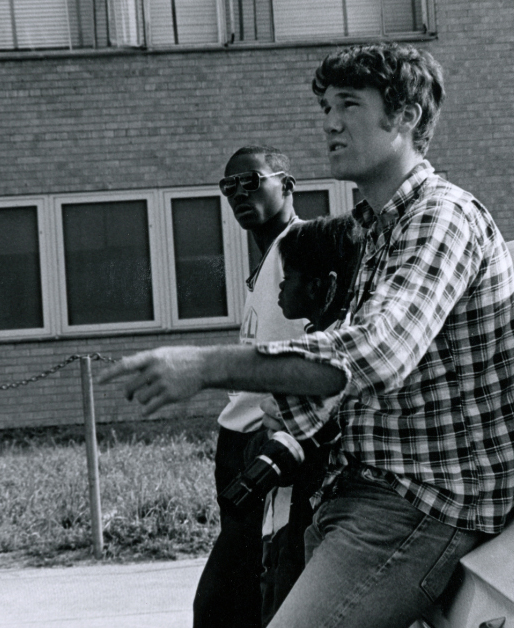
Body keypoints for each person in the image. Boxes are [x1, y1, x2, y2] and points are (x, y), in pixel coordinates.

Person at [99, 42, 514, 628]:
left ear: (404, 117)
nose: (329, 122)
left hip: (423, 505)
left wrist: (204, 365)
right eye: (326, 106)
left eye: (349, 104)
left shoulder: (441, 218)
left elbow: (377, 355)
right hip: (366, 491)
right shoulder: (376, 227)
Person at [192, 146, 308, 628]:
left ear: (287, 184)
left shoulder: (300, 248)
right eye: (228, 188)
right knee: (242, 597)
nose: (239, 194)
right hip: (237, 440)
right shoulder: (269, 258)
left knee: (221, 605)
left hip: (266, 441)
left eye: (251, 182)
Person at [258, 213, 361, 625]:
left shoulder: (332, 354)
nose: (282, 286)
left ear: (325, 285)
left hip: (315, 514)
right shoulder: (313, 340)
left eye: (292, 275)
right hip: (293, 516)